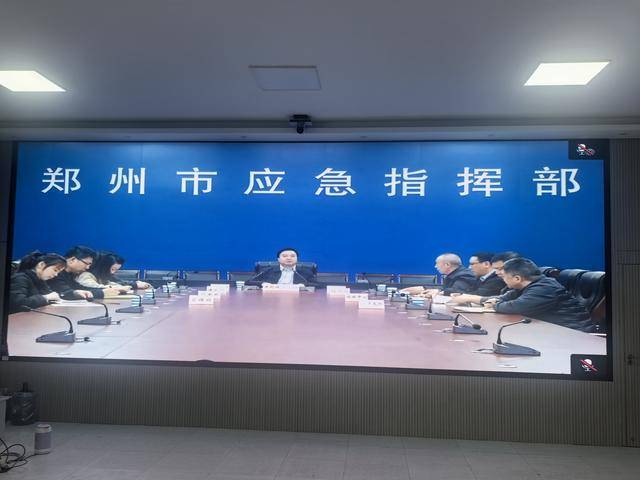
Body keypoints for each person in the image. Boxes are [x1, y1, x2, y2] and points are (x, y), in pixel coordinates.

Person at [483, 258, 594, 332]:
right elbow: (504, 299)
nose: (502, 279)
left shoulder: (545, 288)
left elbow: (517, 307)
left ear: (517, 278)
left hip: (573, 333)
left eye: (504, 276)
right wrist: (497, 302)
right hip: (552, 330)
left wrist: (495, 305)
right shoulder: (525, 286)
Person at [47, 245, 122, 300]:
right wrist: (101, 293)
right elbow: (66, 293)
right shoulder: (55, 273)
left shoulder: (70, 274)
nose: (88, 267)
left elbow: (80, 288)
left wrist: (104, 290)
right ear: (73, 260)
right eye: (87, 263)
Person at [401, 253, 476, 297]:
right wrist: (425, 289)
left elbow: (456, 291)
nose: (435, 266)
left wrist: (437, 291)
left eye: (437, 263)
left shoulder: (464, 275)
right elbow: (445, 288)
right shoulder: (454, 274)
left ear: (447, 265)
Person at [77, 252, 150, 291]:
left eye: (116, 270)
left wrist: (134, 284)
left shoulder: (101, 277)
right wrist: (117, 288)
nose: (113, 272)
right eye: (112, 269)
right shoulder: (85, 275)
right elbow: (94, 287)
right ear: (104, 267)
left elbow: (112, 283)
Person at [246, 247, 317, 286]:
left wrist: (303, 285)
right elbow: (248, 282)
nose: (289, 258)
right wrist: (264, 284)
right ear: (278, 259)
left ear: (297, 259)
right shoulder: (268, 270)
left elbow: (318, 285)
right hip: (271, 298)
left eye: (292, 256)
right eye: (285, 256)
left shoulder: (305, 271)